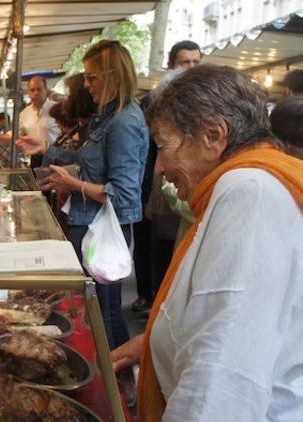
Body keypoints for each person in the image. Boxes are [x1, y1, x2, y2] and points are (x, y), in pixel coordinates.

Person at [111, 64, 303, 422]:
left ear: (213, 136)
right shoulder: (244, 186)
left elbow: (221, 382)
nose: (159, 167)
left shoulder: (249, 194)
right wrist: (154, 344)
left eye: (163, 145)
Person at [20, 40, 149, 350]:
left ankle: (111, 380)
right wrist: (48, 152)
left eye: (92, 77)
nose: (87, 84)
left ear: (113, 75)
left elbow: (122, 193)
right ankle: (117, 376)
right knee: (102, 306)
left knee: (100, 309)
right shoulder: (107, 117)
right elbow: (89, 163)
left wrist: (74, 184)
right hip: (88, 223)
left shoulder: (124, 123)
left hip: (101, 230)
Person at [131, 40, 203, 313]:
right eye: (186, 62)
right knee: (155, 246)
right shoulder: (156, 100)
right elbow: (150, 152)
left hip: (184, 193)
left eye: (196, 62)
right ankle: (149, 296)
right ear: (172, 64)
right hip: (158, 190)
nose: (191, 68)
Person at [0, 76, 59, 146]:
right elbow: (14, 134)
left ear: (45, 90)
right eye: (32, 90)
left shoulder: (57, 109)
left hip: (55, 156)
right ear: (29, 93)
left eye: (39, 89)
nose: (35, 93)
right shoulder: (25, 113)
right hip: (33, 157)